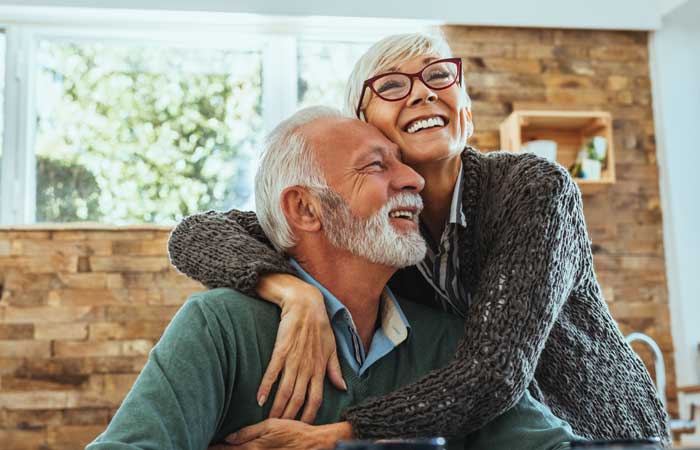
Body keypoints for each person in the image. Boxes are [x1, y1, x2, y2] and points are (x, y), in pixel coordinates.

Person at [167, 33, 669, 444]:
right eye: (390, 85)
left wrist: (343, 435)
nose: (423, 92)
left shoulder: (534, 189)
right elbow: (196, 234)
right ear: (366, 129)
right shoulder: (373, 228)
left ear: (465, 110)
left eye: (437, 76)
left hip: (599, 432)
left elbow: (494, 373)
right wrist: (290, 290)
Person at [87, 106, 577, 450]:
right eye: (376, 166)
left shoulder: (447, 341)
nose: (413, 180)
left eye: (403, 163)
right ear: (305, 209)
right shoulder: (220, 327)